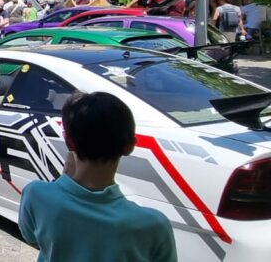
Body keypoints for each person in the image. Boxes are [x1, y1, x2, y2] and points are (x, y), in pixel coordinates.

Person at [19, 92, 175, 262]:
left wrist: (64, 177)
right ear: (130, 146)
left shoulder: (36, 194)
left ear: (69, 141)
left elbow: (31, 237)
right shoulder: (154, 225)